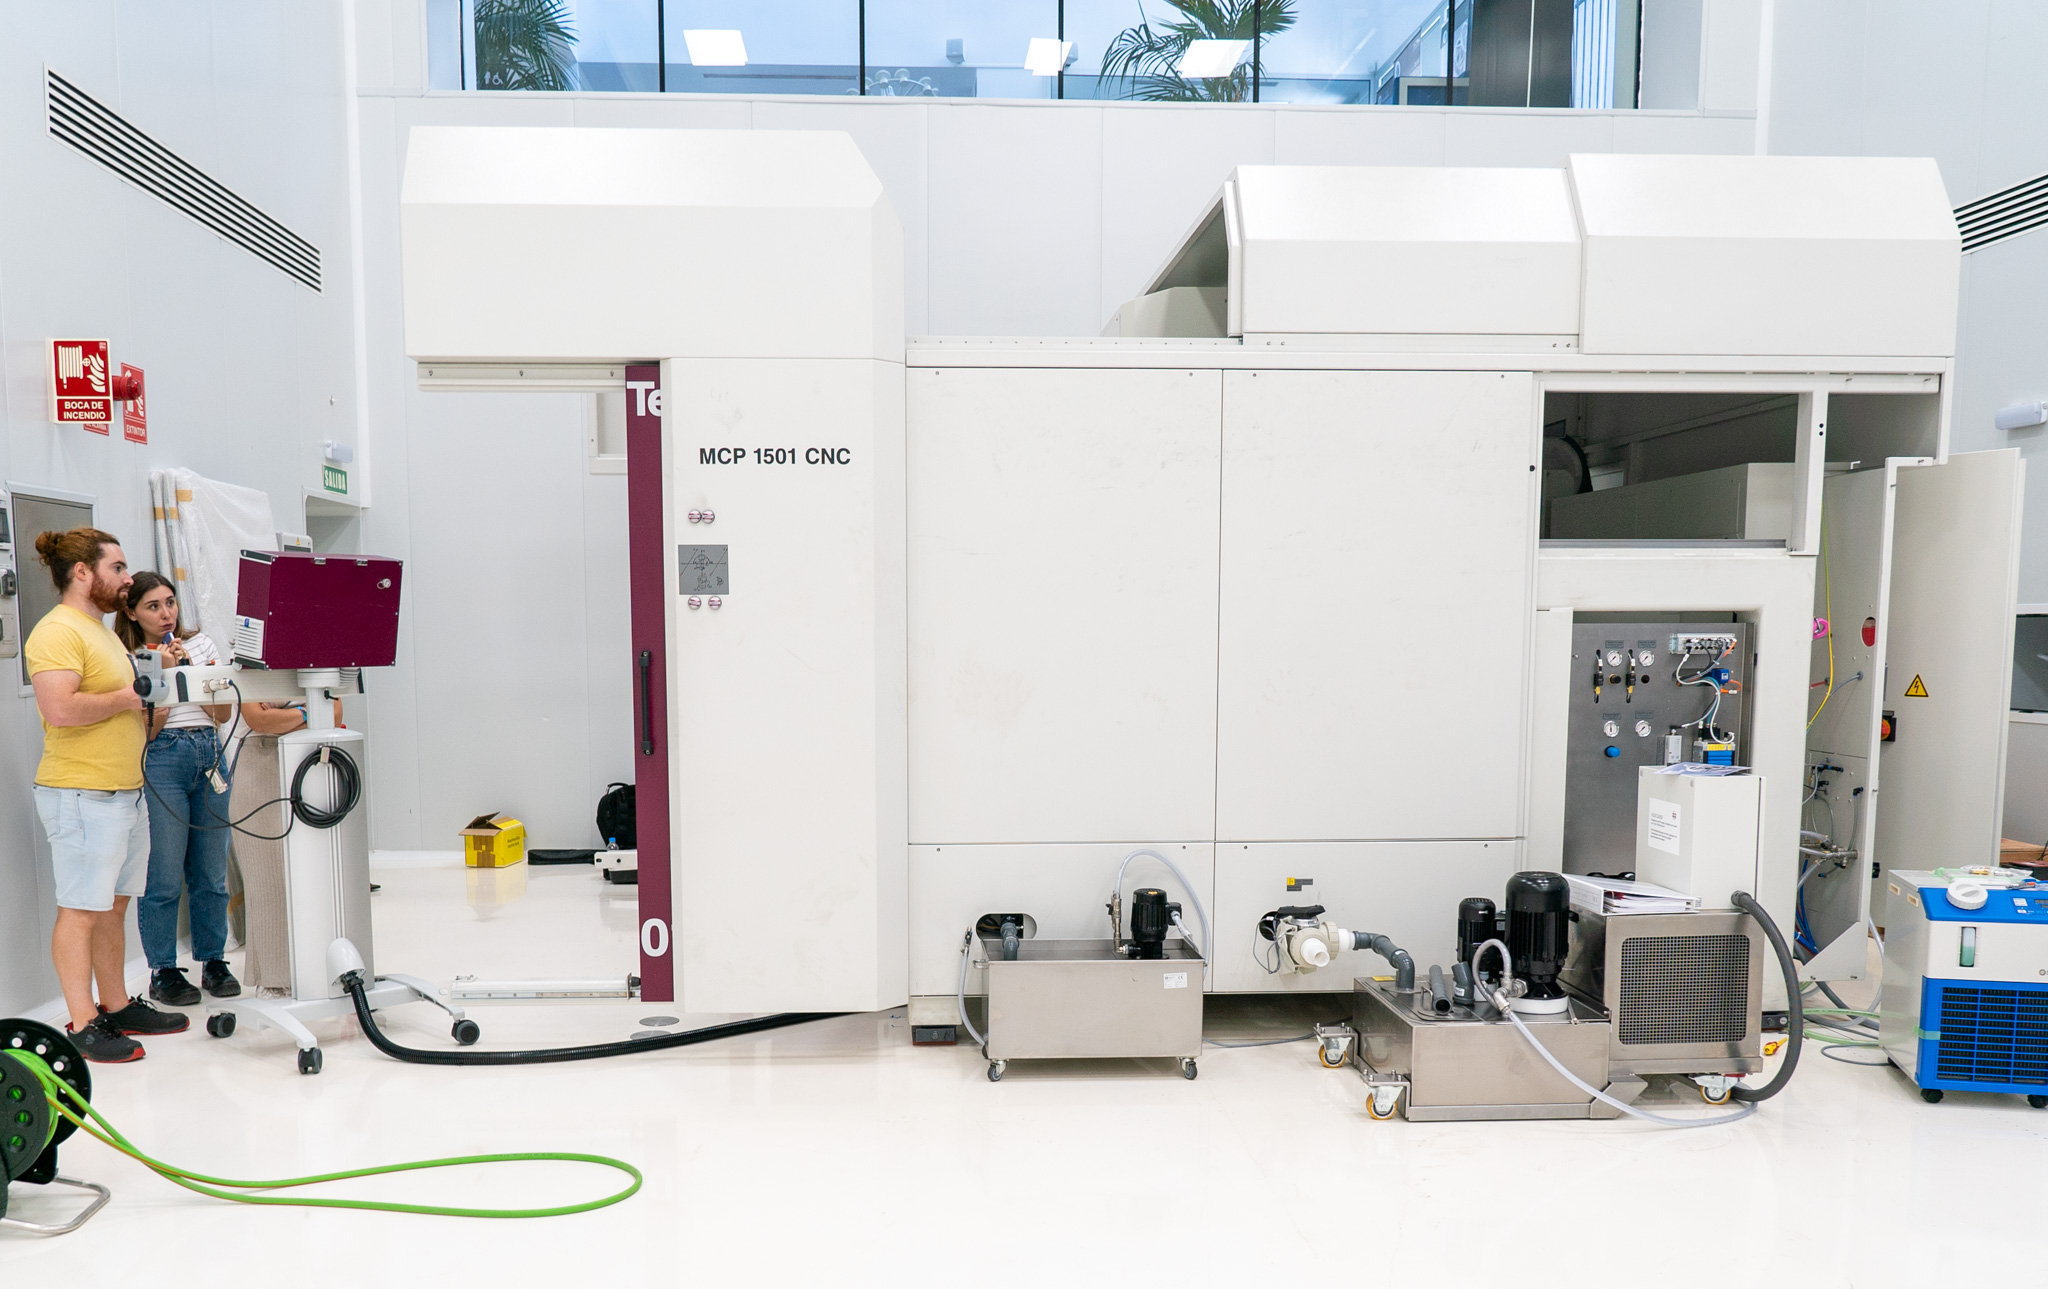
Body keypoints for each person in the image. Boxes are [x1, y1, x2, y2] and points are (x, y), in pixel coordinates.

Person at [24, 529, 190, 1063]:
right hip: (80, 793)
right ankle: (82, 1021)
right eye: (117, 568)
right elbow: (60, 710)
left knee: (114, 905)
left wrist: (162, 686)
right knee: (80, 910)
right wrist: (129, 695)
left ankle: (115, 1004)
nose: (126, 579)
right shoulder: (56, 633)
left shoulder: (103, 634)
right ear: (82, 573)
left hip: (124, 791)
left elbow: (133, 712)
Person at [116, 572, 242, 1006]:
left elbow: (222, 713)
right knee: (164, 874)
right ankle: (164, 970)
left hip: (209, 753)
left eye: (170, 602)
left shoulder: (202, 644)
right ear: (132, 612)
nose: (166, 612)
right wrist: (167, 676)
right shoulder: (130, 658)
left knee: (211, 870)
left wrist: (190, 667)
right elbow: (148, 731)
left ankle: (214, 960)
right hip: (163, 760)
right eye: (153, 606)